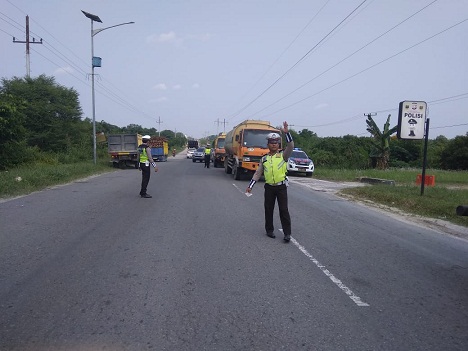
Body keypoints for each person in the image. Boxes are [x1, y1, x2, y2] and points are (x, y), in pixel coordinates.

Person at [246, 121, 294, 242]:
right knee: (268, 209)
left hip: (281, 187)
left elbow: (291, 146)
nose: (274, 145)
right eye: (272, 143)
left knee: (283, 210)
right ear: (268, 144)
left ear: (278, 144)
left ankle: (287, 233)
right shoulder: (264, 159)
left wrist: (287, 133)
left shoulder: (283, 155)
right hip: (269, 188)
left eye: (276, 143)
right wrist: (250, 186)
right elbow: (257, 173)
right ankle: (269, 230)